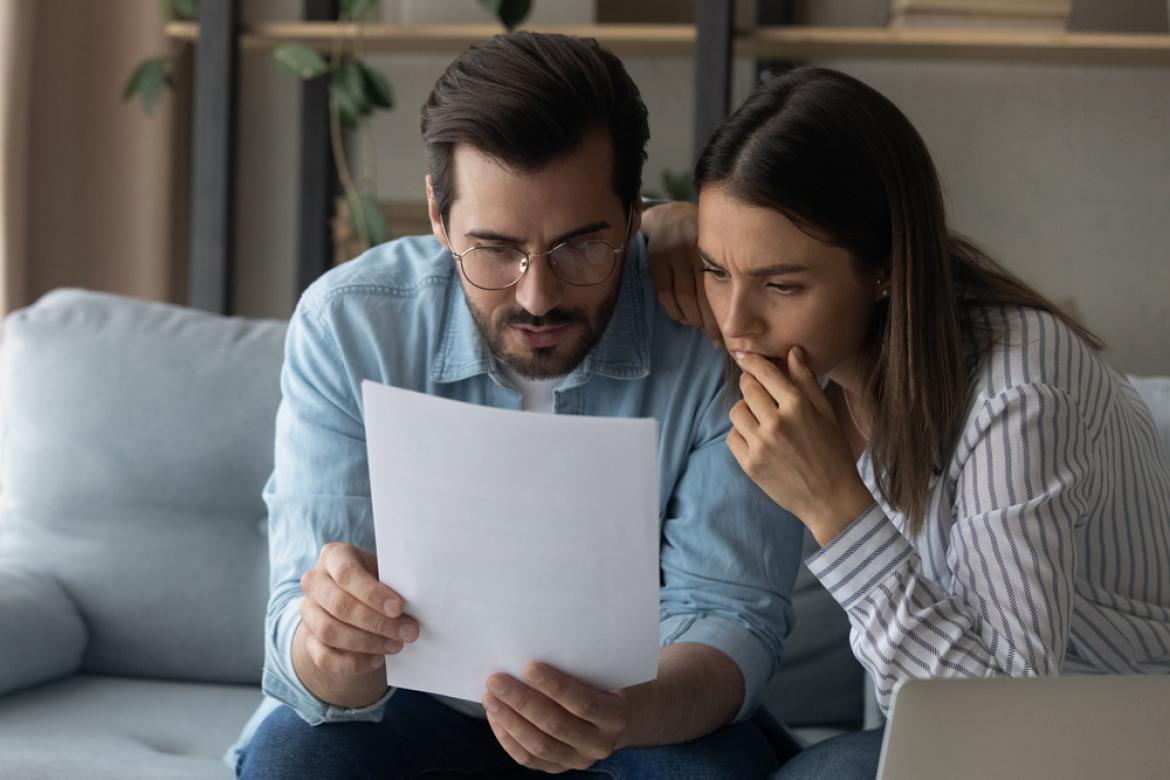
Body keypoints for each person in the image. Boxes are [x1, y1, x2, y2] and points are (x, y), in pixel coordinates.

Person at [229, 32, 805, 780]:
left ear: (634, 211)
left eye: (579, 247)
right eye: (494, 249)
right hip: (409, 707)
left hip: (643, 711)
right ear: (438, 216)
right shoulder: (349, 325)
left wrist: (623, 717)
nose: (537, 296)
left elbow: (732, 613)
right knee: (292, 760)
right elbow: (300, 629)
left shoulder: (711, 329)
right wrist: (332, 646)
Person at [646, 66, 1170, 779]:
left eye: (781, 283)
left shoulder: (1019, 389)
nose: (735, 323)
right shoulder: (819, 365)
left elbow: (1000, 725)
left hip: (1096, 743)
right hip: (940, 729)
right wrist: (658, 223)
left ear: (885, 267)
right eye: (715, 271)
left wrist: (838, 509)